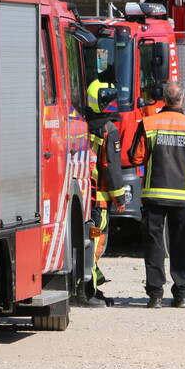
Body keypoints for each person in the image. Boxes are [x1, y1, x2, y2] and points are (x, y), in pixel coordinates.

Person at [129, 81, 185, 308]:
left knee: (154, 245)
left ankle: (155, 295)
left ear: (164, 99)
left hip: (153, 196)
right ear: (182, 99)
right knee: (179, 244)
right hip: (183, 198)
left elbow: (135, 157)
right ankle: (181, 294)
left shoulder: (148, 124)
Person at [80, 79, 127, 307]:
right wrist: (119, 198)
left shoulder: (82, 123)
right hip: (99, 201)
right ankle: (89, 291)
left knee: (86, 242)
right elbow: (111, 166)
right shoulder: (109, 129)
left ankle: (92, 287)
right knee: (97, 244)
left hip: (82, 196)